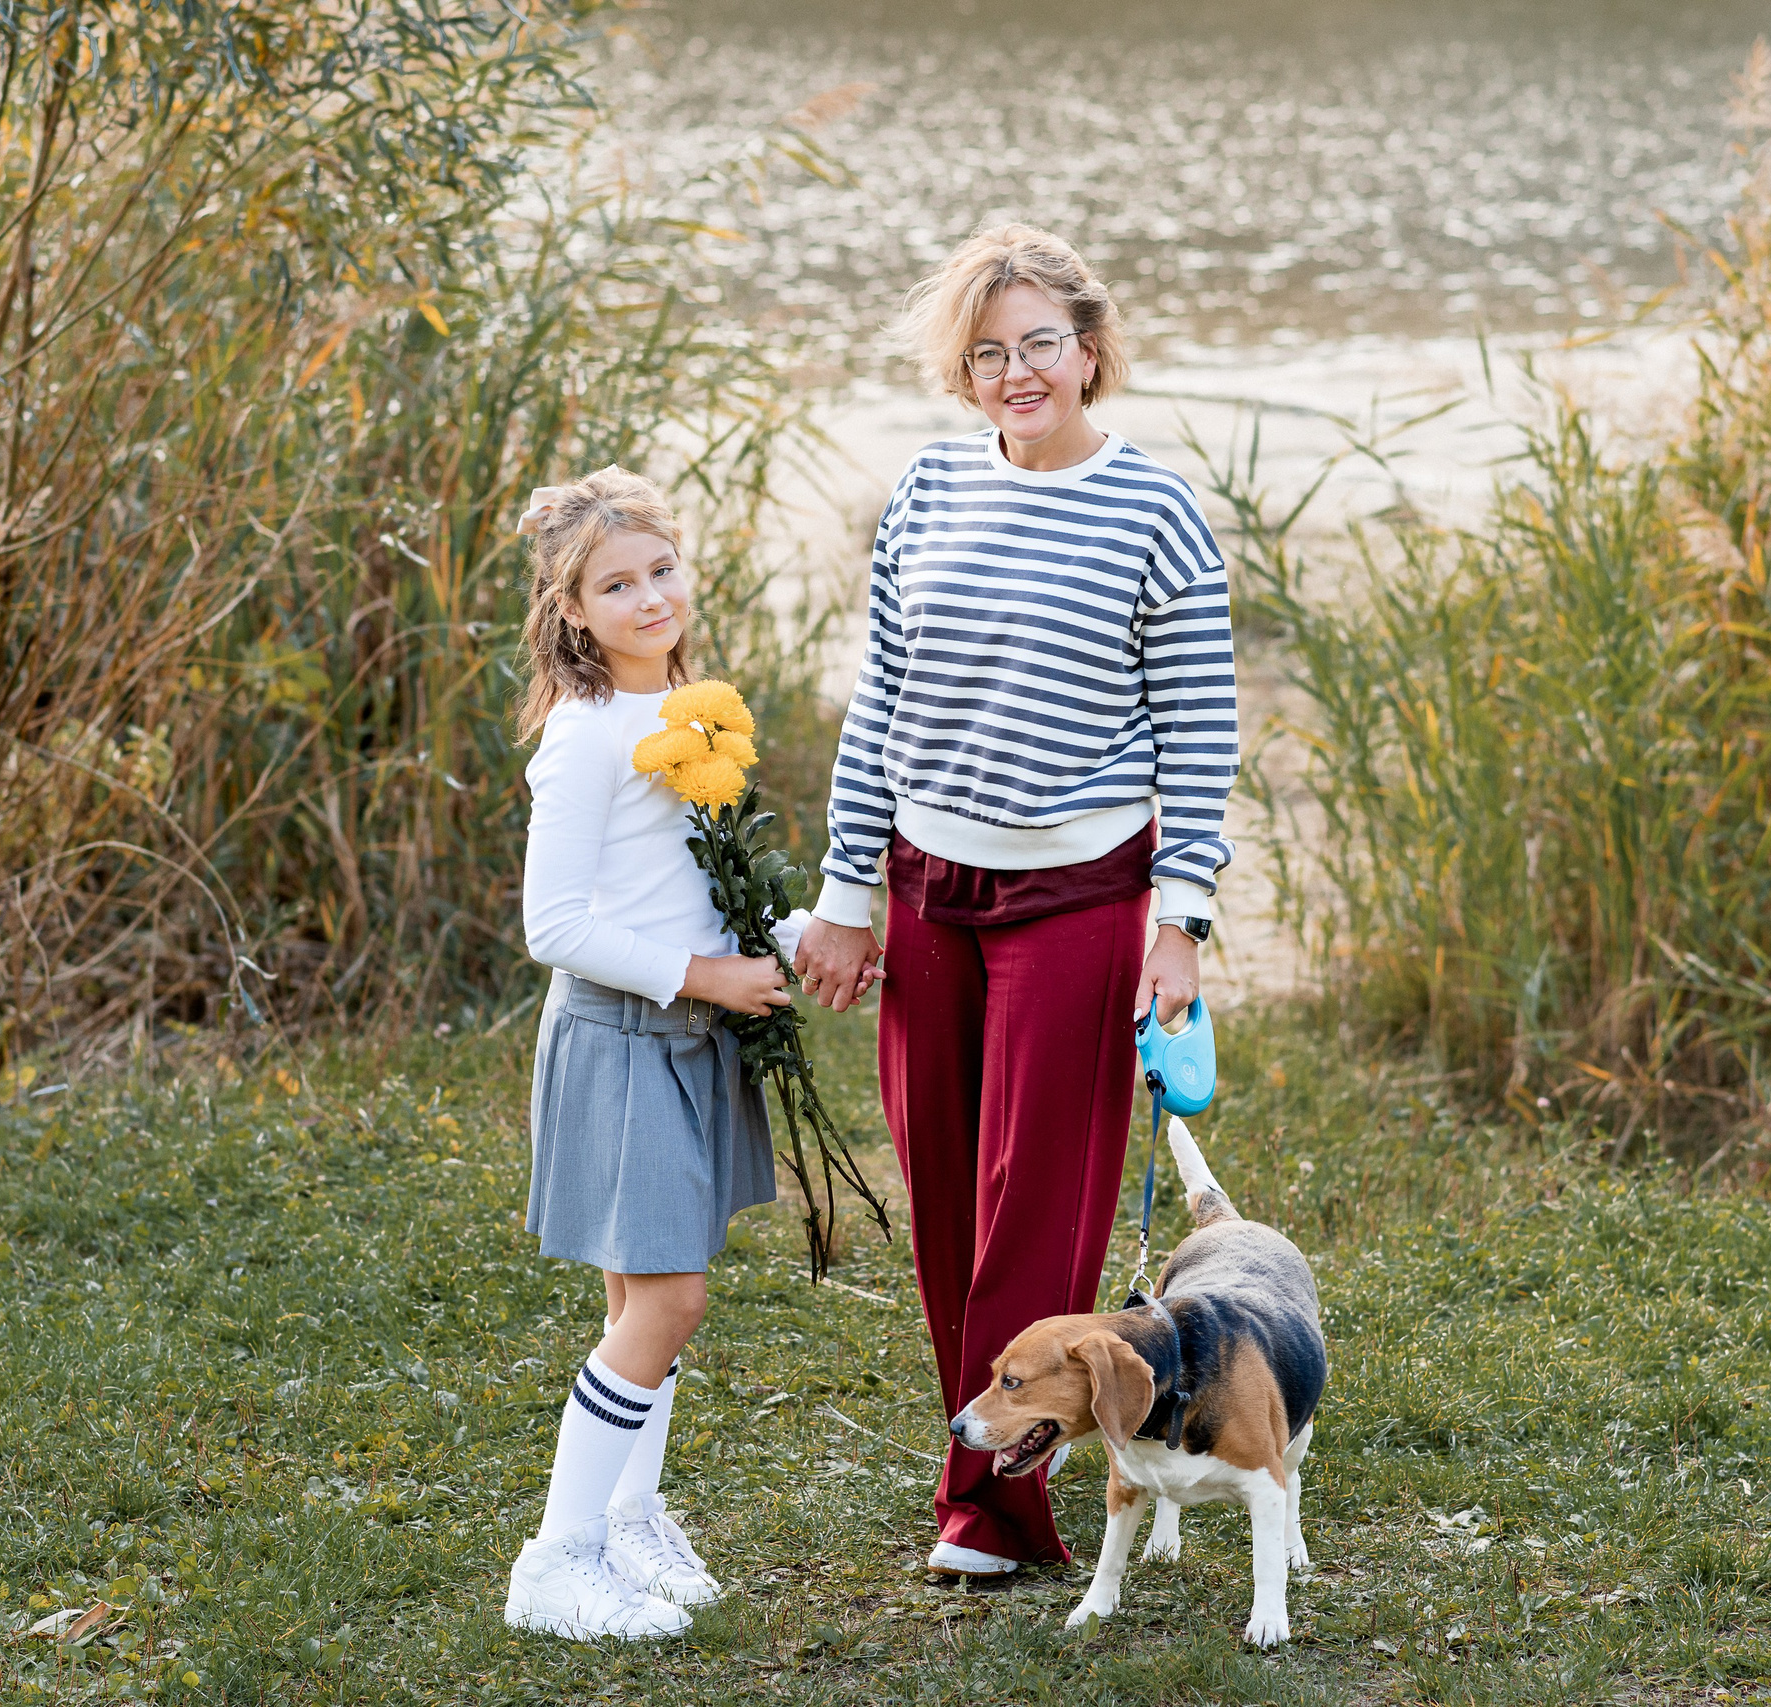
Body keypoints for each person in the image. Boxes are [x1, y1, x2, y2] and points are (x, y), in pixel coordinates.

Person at [790, 225, 1239, 1575]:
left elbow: (1200, 728)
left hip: (1078, 896)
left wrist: (1182, 915)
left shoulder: (1155, 512)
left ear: (1090, 352)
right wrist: (846, 890)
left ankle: (987, 1504)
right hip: (928, 888)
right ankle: (998, 1469)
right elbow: (880, 700)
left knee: (1031, 1203)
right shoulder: (926, 489)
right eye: (987, 351)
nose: (1014, 370)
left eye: (1040, 342)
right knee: (941, 1197)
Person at [501, 468, 867, 1639]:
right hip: (623, 1040)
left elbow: (695, 892)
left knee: (635, 1298)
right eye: (617, 584)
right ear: (572, 610)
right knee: (668, 1300)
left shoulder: (690, 710)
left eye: (661, 570)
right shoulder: (584, 738)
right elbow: (552, 926)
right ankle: (556, 1560)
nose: (650, 597)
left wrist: (811, 936)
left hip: (686, 1037)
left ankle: (628, 1517)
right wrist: (704, 978)